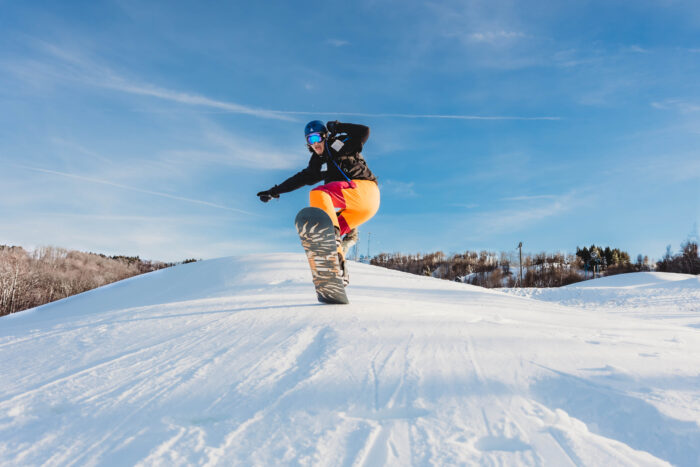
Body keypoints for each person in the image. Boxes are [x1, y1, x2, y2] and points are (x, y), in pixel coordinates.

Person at [257, 120, 380, 283]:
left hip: (365, 190)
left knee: (319, 194)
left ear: (324, 136)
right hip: (361, 210)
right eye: (309, 140)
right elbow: (300, 178)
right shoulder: (317, 162)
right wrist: (274, 191)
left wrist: (338, 127)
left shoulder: (340, 143)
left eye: (316, 138)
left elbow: (364, 131)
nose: (314, 144)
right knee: (332, 232)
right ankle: (339, 270)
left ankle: (331, 235)